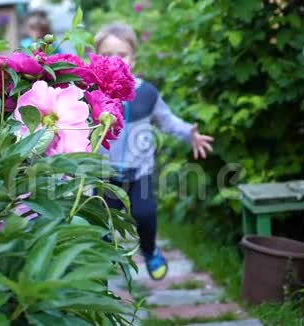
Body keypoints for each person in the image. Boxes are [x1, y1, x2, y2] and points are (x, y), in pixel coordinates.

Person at [95, 23, 214, 280]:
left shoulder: (146, 93)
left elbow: (167, 120)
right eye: (106, 55)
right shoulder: (94, 93)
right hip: (103, 172)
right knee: (99, 221)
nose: (115, 61)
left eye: (122, 55)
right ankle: (100, 262)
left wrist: (188, 133)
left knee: (145, 215)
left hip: (140, 173)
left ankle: (149, 251)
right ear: (95, 60)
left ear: (133, 59)